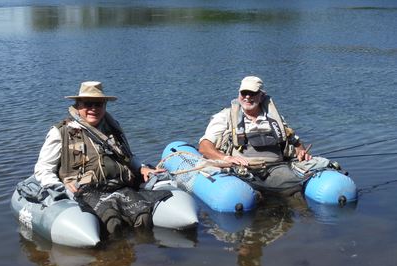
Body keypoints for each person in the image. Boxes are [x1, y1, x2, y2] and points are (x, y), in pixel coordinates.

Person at [34, 81, 167, 235]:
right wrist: (60, 188)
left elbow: (127, 156)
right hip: (85, 191)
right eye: (88, 104)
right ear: (78, 105)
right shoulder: (61, 132)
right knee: (112, 221)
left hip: (119, 186)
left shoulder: (113, 128)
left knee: (143, 216)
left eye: (98, 104)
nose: (93, 109)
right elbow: (43, 169)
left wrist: (141, 167)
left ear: (105, 105)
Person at [199, 75, 328, 195]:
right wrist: (226, 158)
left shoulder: (275, 119)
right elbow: (204, 146)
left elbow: (297, 143)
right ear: (239, 95)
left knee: (297, 192)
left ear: (261, 96)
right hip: (242, 171)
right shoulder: (225, 117)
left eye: (252, 93)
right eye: (244, 93)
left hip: (277, 169)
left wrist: (301, 152)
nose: (247, 97)